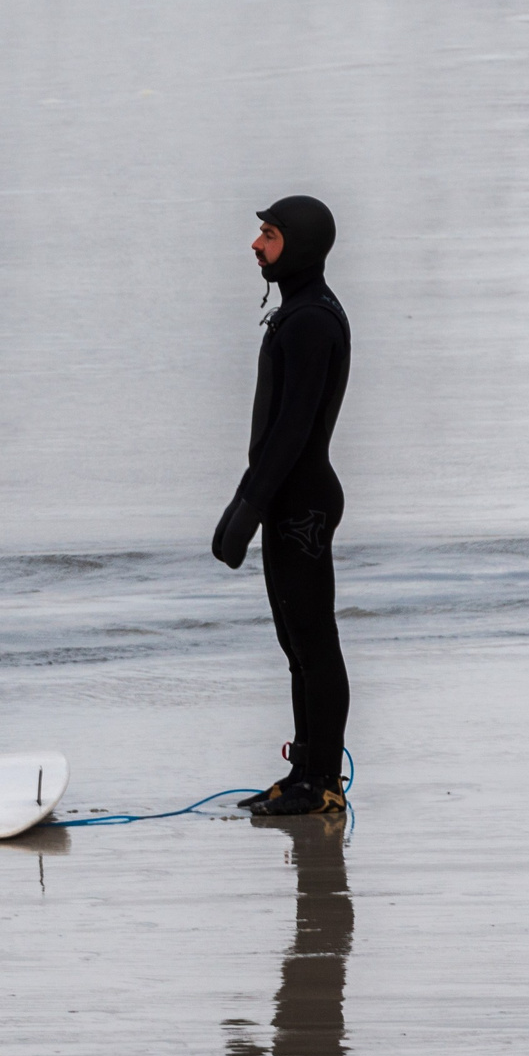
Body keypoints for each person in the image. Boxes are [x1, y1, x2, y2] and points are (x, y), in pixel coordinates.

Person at [214, 195, 351, 816]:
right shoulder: (297, 312)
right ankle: (304, 773)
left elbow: (293, 430)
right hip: (290, 500)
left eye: (267, 234)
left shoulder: (312, 321)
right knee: (295, 643)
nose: (256, 245)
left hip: (303, 505)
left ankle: (322, 783)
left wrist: (247, 506)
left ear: (297, 244)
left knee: (314, 643)